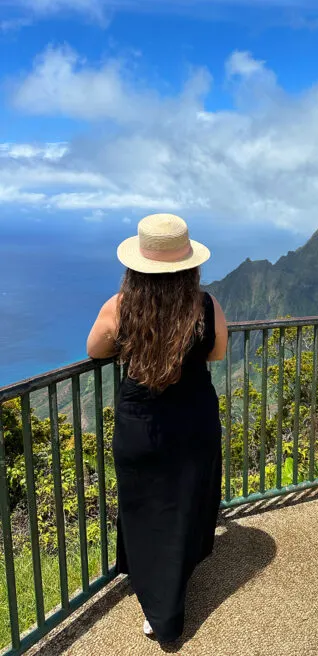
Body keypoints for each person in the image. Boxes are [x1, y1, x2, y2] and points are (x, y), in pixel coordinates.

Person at [86, 213, 228, 643]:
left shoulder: (121, 307)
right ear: (189, 264)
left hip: (142, 427)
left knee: (145, 509)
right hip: (194, 421)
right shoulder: (205, 306)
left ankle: (164, 613)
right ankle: (169, 579)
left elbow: (95, 349)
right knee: (184, 503)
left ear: (136, 266)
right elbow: (217, 353)